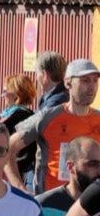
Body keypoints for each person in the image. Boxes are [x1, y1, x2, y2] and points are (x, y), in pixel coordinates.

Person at [11, 57, 100, 193]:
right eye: (85, 80)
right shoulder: (48, 117)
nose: (92, 86)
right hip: (52, 204)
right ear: (68, 83)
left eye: (95, 80)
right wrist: (20, 189)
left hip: (91, 204)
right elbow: (8, 148)